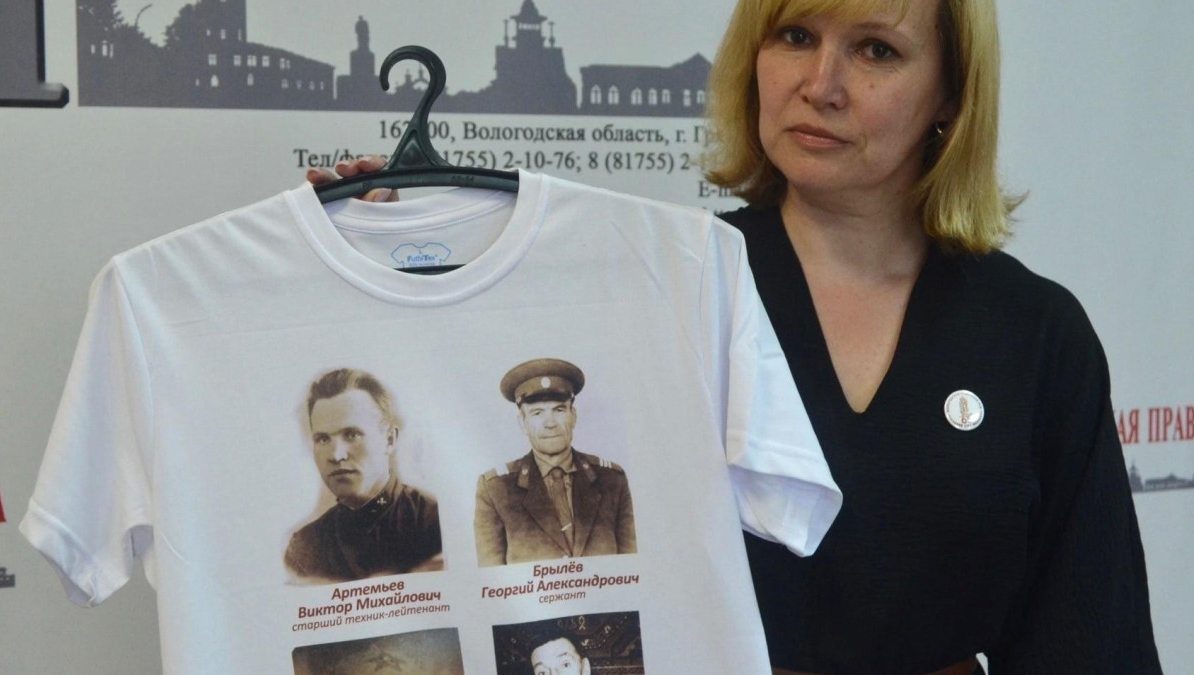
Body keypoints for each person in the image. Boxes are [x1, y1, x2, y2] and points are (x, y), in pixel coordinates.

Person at [308, 0, 1160, 670]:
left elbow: (1091, 636)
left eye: (876, 50)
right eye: (795, 36)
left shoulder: (1034, 333)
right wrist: (384, 255)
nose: (821, 83)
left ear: (950, 92)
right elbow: (460, 396)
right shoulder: (654, 291)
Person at [285, 368, 443, 581]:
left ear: (389, 440)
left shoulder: (435, 522)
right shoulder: (306, 545)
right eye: (323, 439)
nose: (336, 455)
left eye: (351, 435)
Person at [474, 358, 636, 566]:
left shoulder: (612, 480)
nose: (550, 423)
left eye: (559, 410)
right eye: (537, 413)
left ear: (573, 416)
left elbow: (632, 568)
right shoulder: (495, 490)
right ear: (522, 423)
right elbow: (493, 579)